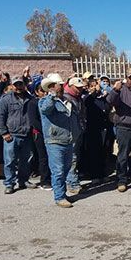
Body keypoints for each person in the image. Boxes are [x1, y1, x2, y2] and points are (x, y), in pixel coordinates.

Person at [39, 74, 81, 208]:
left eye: (61, 85)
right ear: (51, 87)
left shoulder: (67, 101)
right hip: (54, 141)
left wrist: (77, 132)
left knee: (66, 168)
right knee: (58, 170)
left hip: (68, 140)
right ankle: (59, 197)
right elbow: (45, 109)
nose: (61, 87)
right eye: (58, 85)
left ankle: (62, 192)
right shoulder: (45, 101)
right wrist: (52, 95)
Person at [0, 77, 36, 194]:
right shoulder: (6, 99)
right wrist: (4, 132)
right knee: (10, 161)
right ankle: (9, 183)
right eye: (16, 85)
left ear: (24, 85)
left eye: (20, 84)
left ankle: (23, 180)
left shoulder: (30, 99)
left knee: (26, 160)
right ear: (12, 86)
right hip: (11, 135)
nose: (18, 87)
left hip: (26, 135)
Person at [83, 77, 113, 182]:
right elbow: (88, 102)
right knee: (94, 153)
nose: (94, 88)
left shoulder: (103, 98)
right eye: (91, 86)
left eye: (96, 86)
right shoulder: (88, 98)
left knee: (104, 152)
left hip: (104, 129)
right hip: (93, 129)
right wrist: (94, 92)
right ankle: (95, 175)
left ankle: (103, 174)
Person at [63, 77, 86, 195]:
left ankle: (73, 180)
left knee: (75, 157)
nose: (80, 90)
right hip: (69, 133)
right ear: (71, 86)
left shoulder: (78, 98)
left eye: (81, 88)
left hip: (78, 131)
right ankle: (71, 183)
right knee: (72, 158)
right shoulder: (65, 98)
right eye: (77, 88)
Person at [27, 81, 51, 189]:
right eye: (42, 91)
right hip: (39, 134)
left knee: (51, 157)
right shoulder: (33, 103)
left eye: (46, 91)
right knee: (43, 157)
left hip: (51, 133)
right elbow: (34, 121)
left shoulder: (50, 102)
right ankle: (44, 181)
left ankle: (52, 178)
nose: (44, 93)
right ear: (36, 92)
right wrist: (44, 129)